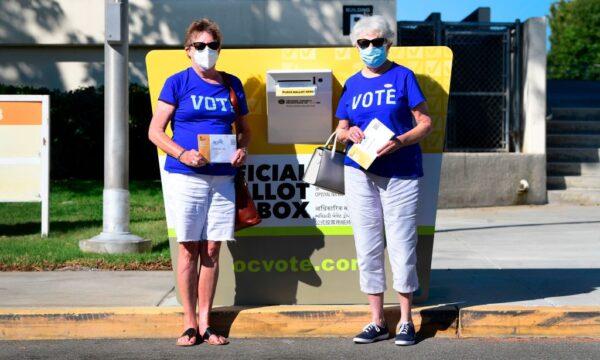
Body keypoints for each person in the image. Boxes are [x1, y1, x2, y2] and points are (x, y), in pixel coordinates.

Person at [148, 18, 251, 346]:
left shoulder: (232, 85)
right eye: (201, 46)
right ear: (188, 50)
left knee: (211, 249)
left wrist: (243, 149)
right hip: (187, 178)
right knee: (188, 250)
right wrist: (182, 154)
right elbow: (155, 132)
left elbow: (244, 129)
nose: (208, 52)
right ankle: (189, 322)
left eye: (213, 46)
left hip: (222, 179)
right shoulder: (177, 83)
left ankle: (207, 322)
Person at [335, 15, 433, 346]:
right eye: (364, 43)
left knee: (403, 244)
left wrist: (402, 140)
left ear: (389, 43)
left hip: (401, 170)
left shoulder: (403, 76)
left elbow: (425, 123)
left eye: (378, 42)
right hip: (359, 170)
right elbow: (340, 128)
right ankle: (376, 320)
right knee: (367, 244)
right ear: (355, 46)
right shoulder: (351, 83)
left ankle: (406, 319)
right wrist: (349, 131)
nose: (371, 48)